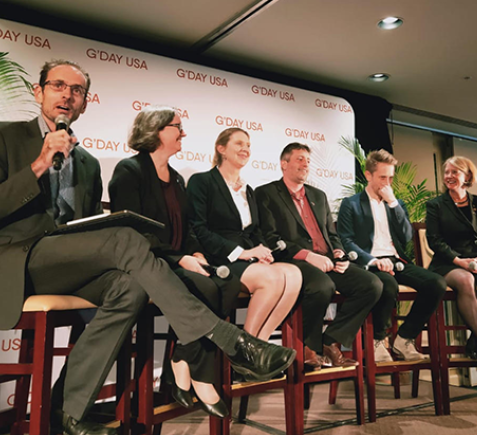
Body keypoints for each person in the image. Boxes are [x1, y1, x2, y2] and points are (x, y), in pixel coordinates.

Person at [0, 59, 295, 435]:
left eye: (77, 90)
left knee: (128, 288)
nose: (67, 94)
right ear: (39, 92)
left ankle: (64, 409)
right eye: (57, 86)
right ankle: (230, 341)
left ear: (84, 103)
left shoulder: (84, 162)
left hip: (59, 263)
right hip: (8, 262)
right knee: (125, 238)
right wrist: (39, 163)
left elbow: (84, 233)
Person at [109, 106, 241, 417]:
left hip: (179, 260)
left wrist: (194, 252)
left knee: (228, 282)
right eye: (177, 127)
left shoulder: (178, 179)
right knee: (205, 289)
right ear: (155, 131)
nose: (183, 133)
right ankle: (203, 378)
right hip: (148, 263)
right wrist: (179, 258)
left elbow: (189, 227)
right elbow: (131, 232)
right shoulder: (129, 171)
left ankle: (181, 358)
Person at [255, 143, 383, 371]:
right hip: (293, 260)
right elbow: (270, 237)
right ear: (284, 164)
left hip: (327, 259)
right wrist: (307, 256)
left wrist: (338, 252)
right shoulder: (266, 193)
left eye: (308, 160)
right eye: (299, 159)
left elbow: (331, 234)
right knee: (322, 286)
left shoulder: (318, 195)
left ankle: (330, 340)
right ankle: (308, 347)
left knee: (371, 284)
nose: (306, 164)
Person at [186, 128, 302, 346]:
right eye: (239, 144)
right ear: (221, 149)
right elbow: (199, 229)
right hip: (219, 259)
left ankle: (258, 345)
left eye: (248, 145)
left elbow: (254, 230)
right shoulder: (201, 182)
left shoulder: (248, 190)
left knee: (293, 274)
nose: (245, 149)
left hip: (247, 259)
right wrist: (242, 252)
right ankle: (244, 347)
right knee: (273, 279)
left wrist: (263, 251)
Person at [337, 149, 447, 362]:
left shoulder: (396, 203)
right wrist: (373, 260)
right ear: (368, 176)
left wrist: (393, 203)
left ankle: (404, 338)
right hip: (369, 263)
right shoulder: (351, 204)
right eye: (382, 178)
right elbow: (346, 241)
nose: (387, 183)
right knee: (388, 286)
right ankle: (378, 341)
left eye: (390, 178)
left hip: (396, 261)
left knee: (436, 284)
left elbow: (406, 236)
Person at [424, 156, 477, 375]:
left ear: (467, 176)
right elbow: (435, 241)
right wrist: (459, 261)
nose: (449, 176)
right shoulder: (435, 205)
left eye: (455, 172)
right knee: (466, 279)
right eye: (447, 172)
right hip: (449, 262)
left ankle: (472, 341)